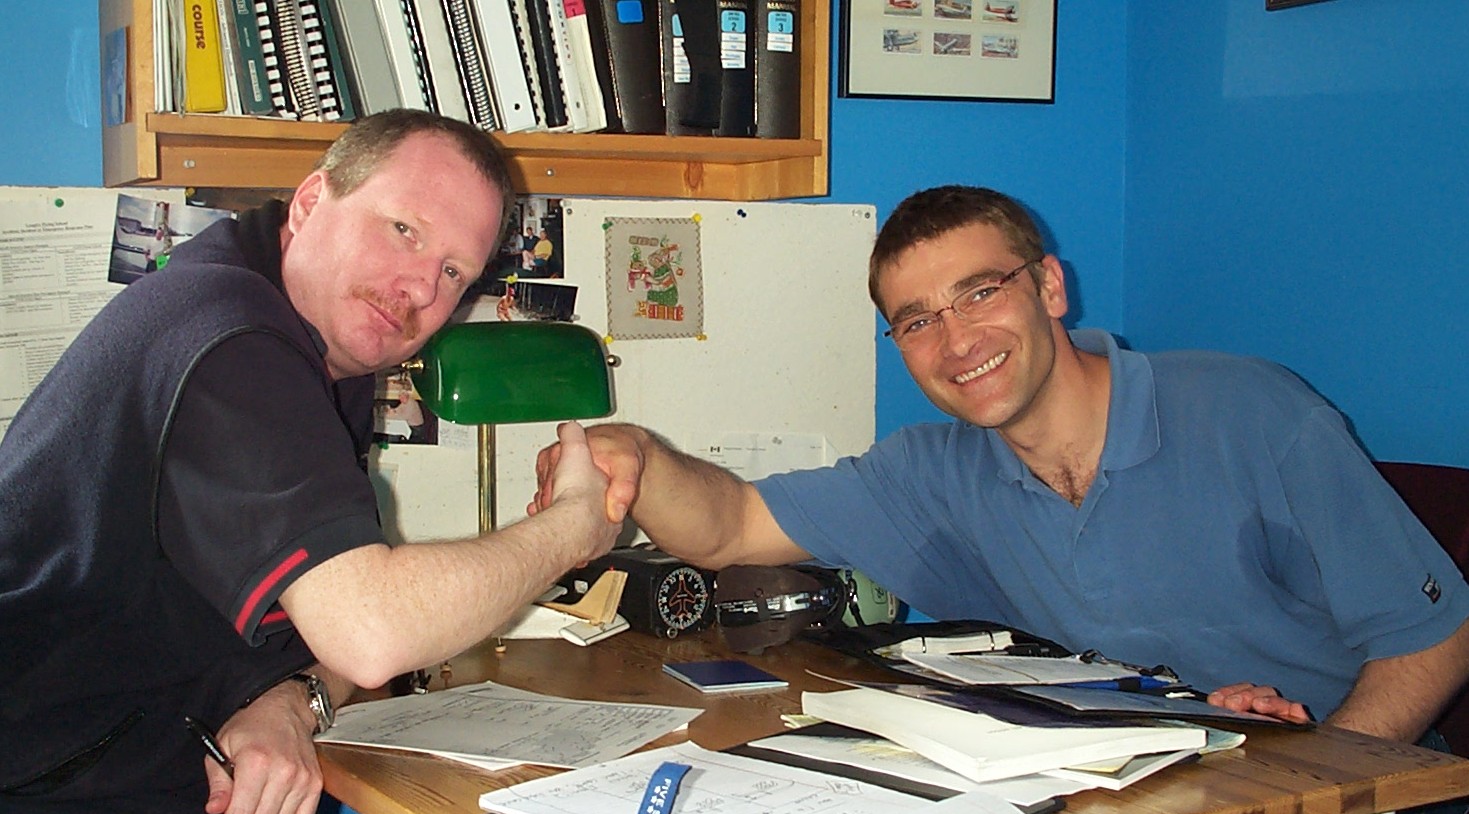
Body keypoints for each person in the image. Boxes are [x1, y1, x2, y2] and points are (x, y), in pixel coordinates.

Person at [535, 184, 1469, 743]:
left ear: (1049, 286)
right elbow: (732, 525)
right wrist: (638, 458)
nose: (955, 340)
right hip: (1151, 773)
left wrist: (1325, 773)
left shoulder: (1251, 413)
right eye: (916, 320)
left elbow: (1438, 635)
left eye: (978, 293)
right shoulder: (929, 473)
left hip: (1339, 780)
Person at [0, 110, 619, 814]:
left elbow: (328, 624)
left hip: (147, 764)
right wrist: (573, 527)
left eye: (453, 272)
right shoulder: (231, 337)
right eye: (404, 230)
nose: (421, 288)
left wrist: (291, 699)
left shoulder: (322, 348)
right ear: (309, 202)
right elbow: (372, 633)